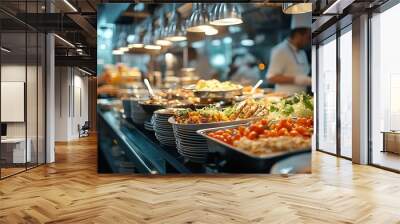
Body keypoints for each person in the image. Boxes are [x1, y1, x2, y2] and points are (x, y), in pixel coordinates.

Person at [266, 27, 311, 94]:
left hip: (300, 97)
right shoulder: (280, 50)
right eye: (308, 37)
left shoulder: (302, 52)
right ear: (298, 35)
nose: (309, 41)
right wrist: (297, 80)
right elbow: (271, 78)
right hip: (284, 98)